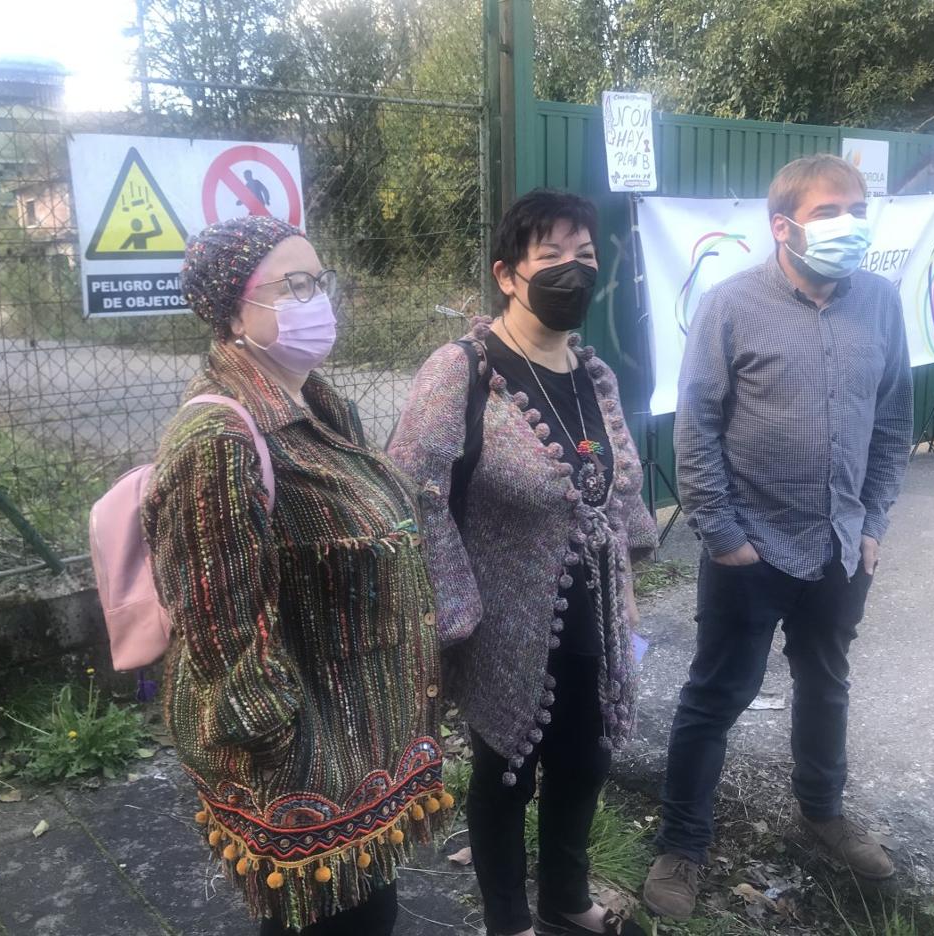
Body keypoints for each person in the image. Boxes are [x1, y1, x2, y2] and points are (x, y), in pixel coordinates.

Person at [143, 216, 451, 935]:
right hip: (310, 767)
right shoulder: (218, 440)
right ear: (233, 311)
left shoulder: (320, 405)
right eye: (296, 285)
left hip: (358, 741)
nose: (320, 300)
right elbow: (220, 627)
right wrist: (287, 748)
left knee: (370, 914)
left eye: (321, 281)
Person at [643, 154, 914, 920]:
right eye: (832, 212)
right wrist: (722, 534)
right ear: (783, 226)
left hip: (839, 546)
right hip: (749, 547)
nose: (850, 225)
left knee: (825, 684)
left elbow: (892, 423)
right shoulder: (730, 306)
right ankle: (683, 843)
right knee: (715, 695)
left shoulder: (883, 305)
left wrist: (873, 522)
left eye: (858, 209)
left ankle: (821, 813)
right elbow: (694, 428)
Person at [389, 189, 657, 936]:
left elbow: (619, 486)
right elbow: (413, 490)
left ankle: (567, 902)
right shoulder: (463, 370)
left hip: (594, 617)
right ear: (508, 274)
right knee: (506, 772)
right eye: (553, 258)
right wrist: (455, 611)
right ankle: (508, 922)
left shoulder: (592, 374)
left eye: (586, 257)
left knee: (586, 761)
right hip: (503, 624)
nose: (574, 271)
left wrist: (628, 585)